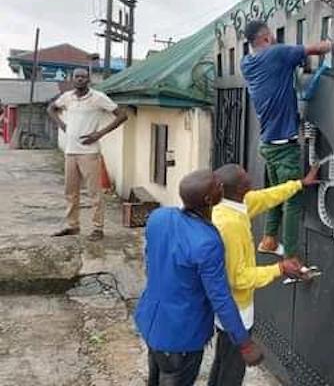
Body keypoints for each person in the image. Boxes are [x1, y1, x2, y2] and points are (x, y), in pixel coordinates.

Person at [135, 169, 264, 386]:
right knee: (175, 377)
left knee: (156, 377)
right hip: (181, 335)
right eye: (217, 185)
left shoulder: (160, 217)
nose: (221, 183)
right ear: (208, 199)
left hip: (152, 321)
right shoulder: (206, 241)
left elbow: (151, 261)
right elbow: (220, 296)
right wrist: (244, 343)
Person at [207, 163, 320, 386]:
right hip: (235, 310)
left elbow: (267, 197)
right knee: (232, 372)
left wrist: (299, 184)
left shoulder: (232, 204)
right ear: (241, 190)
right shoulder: (229, 224)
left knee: (224, 361)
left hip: (230, 309)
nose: (251, 180)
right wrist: (279, 268)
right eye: (246, 180)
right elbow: (238, 278)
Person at [241, 19, 331, 261]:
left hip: (267, 144)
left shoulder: (247, 63)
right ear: (267, 38)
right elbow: (317, 49)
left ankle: (269, 239)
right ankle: (291, 258)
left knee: (275, 193)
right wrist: (333, 43)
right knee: (292, 199)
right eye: (272, 36)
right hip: (283, 147)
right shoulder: (277, 54)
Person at [47, 68, 127, 240]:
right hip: (70, 152)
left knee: (94, 193)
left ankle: (98, 228)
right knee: (70, 191)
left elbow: (122, 115)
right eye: (77, 76)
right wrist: (62, 125)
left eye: (84, 77)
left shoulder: (98, 98)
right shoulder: (67, 97)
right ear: (72, 78)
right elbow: (51, 109)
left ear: (88, 79)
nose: (80, 79)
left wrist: (99, 134)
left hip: (89, 153)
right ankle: (72, 225)